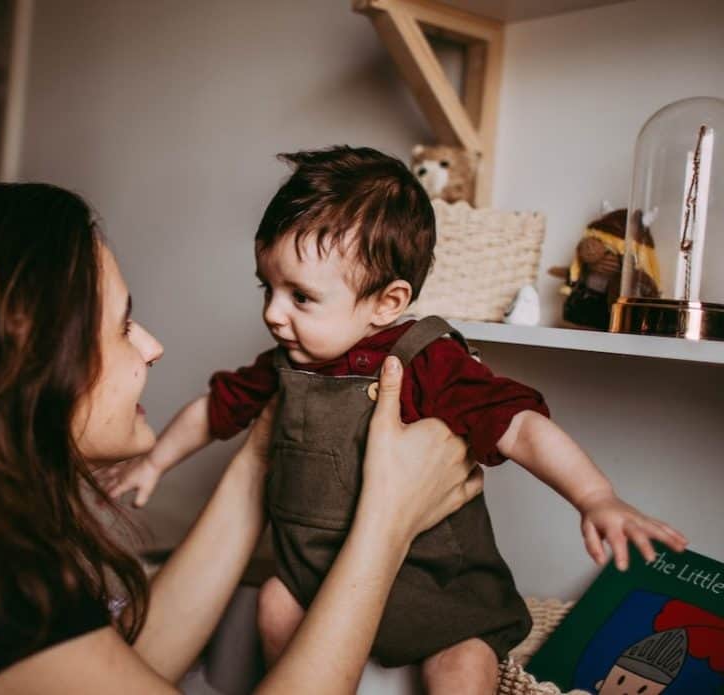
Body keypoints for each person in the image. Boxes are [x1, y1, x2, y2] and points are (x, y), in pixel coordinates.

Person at [0, 182, 481, 693]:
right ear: (30, 360)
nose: (151, 346)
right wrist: (385, 522)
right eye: (122, 325)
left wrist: (259, 450)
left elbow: (118, 670)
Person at [100, 147, 689, 694]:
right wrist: (155, 459)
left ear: (387, 302)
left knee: (463, 664)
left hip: (437, 583)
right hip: (320, 574)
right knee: (274, 604)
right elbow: (213, 409)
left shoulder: (427, 360)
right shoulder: (285, 365)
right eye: (267, 288)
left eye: (300, 297)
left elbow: (521, 425)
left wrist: (596, 497)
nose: (273, 314)